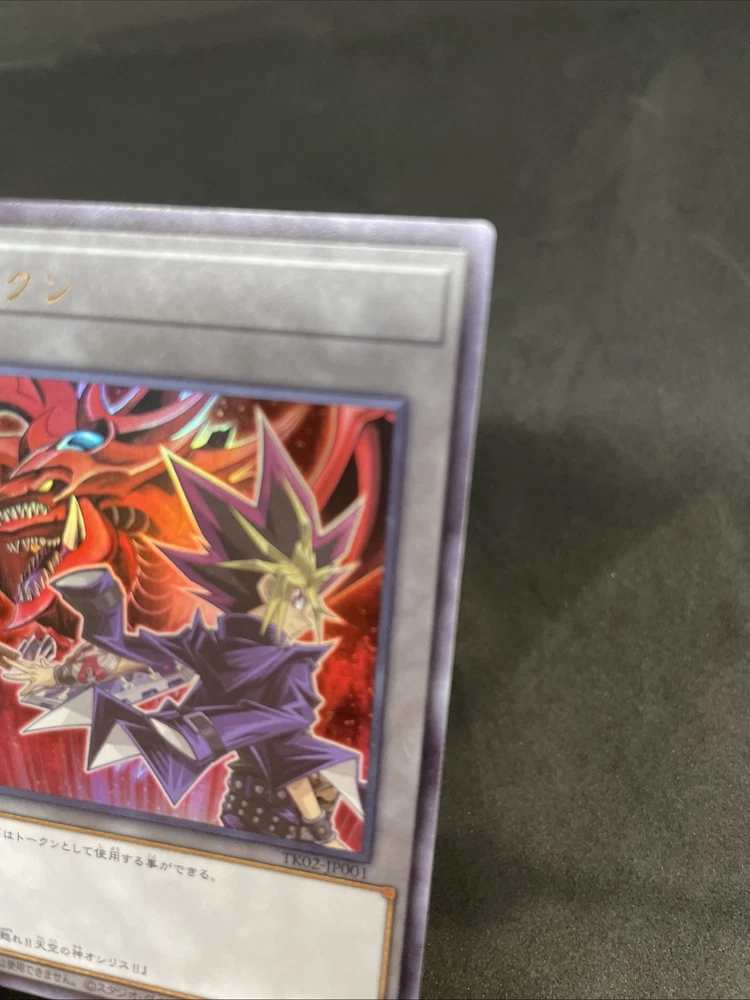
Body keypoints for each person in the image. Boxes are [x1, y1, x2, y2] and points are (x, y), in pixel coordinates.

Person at [7, 414, 365, 850]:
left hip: (243, 809)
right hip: (280, 822)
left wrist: (60, 674)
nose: (308, 619)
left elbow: (138, 660)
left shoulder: (218, 647)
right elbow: (289, 764)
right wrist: (325, 835)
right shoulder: (277, 665)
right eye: (302, 602)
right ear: (270, 588)